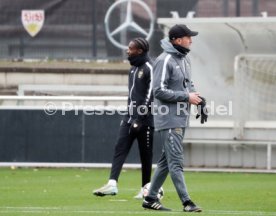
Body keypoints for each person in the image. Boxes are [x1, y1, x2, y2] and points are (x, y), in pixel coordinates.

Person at [142, 24, 207, 212]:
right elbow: (159, 91)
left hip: (180, 118)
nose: (191, 40)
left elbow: (189, 86)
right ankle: (187, 202)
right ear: (177, 40)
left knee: (165, 161)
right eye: (188, 37)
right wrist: (187, 97)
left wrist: (198, 100)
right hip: (168, 119)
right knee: (176, 161)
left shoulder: (185, 60)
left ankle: (150, 198)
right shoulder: (165, 60)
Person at [93, 37, 154, 199]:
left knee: (145, 156)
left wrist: (140, 118)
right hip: (129, 118)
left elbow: (150, 96)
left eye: (130, 48)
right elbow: (131, 96)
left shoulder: (149, 67)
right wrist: (128, 115)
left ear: (139, 51)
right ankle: (112, 184)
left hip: (145, 121)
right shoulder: (133, 69)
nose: (127, 51)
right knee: (120, 148)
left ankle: (146, 189)